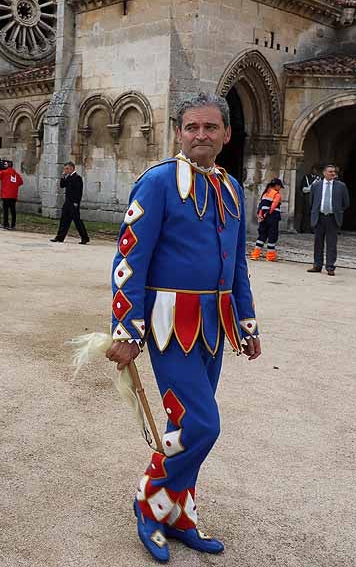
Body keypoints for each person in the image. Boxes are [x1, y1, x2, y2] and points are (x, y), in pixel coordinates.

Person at [103, 93, 261, 563]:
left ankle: (180, 512)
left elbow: (238, 266)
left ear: (226, 134)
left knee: (182, 423)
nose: (201, 136)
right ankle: (150, 501)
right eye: (191, 127)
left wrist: (247, 323)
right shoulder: (156, 183)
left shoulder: (233, 189)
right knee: (201, 424)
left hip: (215, 327)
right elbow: (130, 258)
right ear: (178, 131)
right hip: (170, 325)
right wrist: (126, 330)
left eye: (210, 128)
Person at [308, 164, 349, 276]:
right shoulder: (316, 186)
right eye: (330, 171)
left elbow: (346, 203)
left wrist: (336, 211)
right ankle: (317, 265)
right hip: (319, 217)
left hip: (332, 218)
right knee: (318, 243)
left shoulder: (341, 186)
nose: (333, 173)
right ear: (324, 173)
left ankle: (330, 266)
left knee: (331, 244)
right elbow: (311, 202)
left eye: (334, 172)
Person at [51, 162, 89, 244]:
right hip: (67, 202)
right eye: (65, 169)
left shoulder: (77, 178)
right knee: (64, 220)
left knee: (77, 221)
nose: (65, 170)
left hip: (74, 203)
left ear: (72, 168)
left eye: (67, 169)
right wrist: (63, 177)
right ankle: (60, 237)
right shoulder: (68, 177)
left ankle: (85, 238)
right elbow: (62, 185)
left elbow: (78, 192)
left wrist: (76, 202)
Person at [250, 178, 284, 261]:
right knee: (272, 236)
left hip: (263, 218)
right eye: (280, 186)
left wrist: (261, 215)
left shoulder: (265, 194)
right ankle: (270, 256)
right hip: (272, 217)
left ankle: (255, 254)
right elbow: (273, 206)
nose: (280, 188)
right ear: (277, 186)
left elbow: (261, 206)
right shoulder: (277, 194)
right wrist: (267, 214)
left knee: (262, 235)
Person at [0, 159, 24, 230]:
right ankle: (13, 225)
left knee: (6, 210)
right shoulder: (15, 173)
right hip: (13, 195)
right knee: (13, 210)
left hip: (6, 194)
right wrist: (13, 185)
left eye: (5, 164)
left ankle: (6, 225)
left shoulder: (5, 172)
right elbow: (21, 182)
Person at [299, 165, 320, 232]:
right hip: (307, 198)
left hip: (315, 199)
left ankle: (313, 229)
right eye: (314, 169)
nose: (315, 171)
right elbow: (303, 188)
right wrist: (311, 189)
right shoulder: (306, 177)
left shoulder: (319, 179)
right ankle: (304, 229)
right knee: (306, 213)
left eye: (316, 170)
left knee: (314, 214)